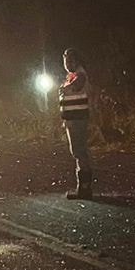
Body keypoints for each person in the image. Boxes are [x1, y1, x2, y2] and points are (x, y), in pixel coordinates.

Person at [58, 49, 92, 200]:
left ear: (77, 61)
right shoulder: (71, 77)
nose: (67, 64)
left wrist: (63, 89)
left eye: (70, 60)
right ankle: (83, 187)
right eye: (65, 60)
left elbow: (75, 88)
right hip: (72, 119)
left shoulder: (80, 76)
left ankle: (84, 188)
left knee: (79, 152)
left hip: (78, 119)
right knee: (78, 152)